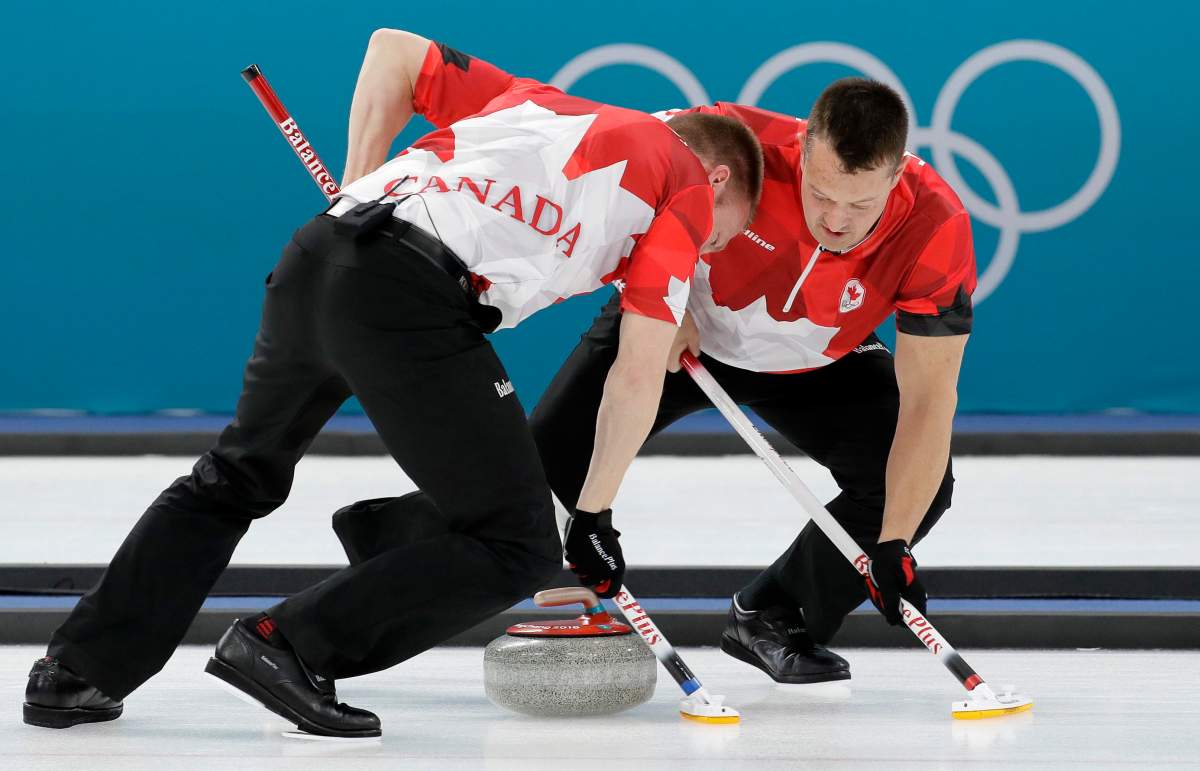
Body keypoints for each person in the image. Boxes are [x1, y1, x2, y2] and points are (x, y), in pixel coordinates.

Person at [22, 28, 764, 738]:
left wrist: (356, 187)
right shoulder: (688, 186)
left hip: (320, 252)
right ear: (719, 177)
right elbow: (637, 370)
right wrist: (595, 517)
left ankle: (75, 669)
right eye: (722, 237)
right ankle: (293, 641)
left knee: (234, 474)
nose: (708, 251)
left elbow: (393, 49)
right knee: (521, 542)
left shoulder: (539, 100)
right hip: (410, 298)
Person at [334, 79, 976, 686]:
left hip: (817, 358)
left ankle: (776, 616)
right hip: (674, 327)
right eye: (820, 194)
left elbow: (929, 399)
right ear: (802, 148)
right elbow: (616, 199)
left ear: (898, 174)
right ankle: (394, 538)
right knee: (541, 475)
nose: (835, 221)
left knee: (917, 485)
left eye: (861, 204)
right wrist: (663, 301)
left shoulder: (937, 226)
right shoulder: (736, 141)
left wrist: (892, 545)